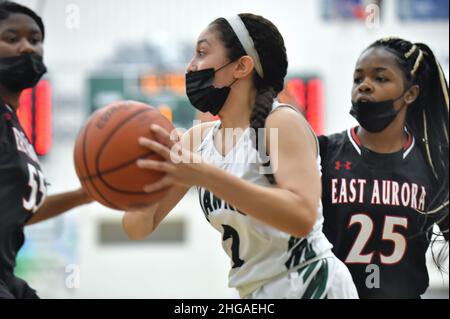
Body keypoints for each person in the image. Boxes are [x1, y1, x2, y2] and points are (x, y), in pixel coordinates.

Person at [123, 13, 358, 299]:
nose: (190, 66)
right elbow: (138, 227)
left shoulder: (280, 123)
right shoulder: (197, 139)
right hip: (254, 292)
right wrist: (138, 177)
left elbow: (302, 217)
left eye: (202, 53)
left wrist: (205, 175)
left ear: (242, 66)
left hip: (309, 281)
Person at [319, 37, 449, 299]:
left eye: (380, 79)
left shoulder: (433, 164)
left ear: (411, 93)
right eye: (358, 79)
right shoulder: (324, 151)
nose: (364, 86)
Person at [0, 1, 92, 299]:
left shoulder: (13, 125)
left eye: (35, 40)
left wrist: (85, 194)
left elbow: (18, 211)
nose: (27, 47)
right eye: (12, 39)